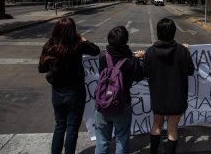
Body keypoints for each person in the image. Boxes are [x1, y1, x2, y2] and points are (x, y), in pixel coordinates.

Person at [38, 17, 100, 154]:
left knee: (60, 125)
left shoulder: (49, 46)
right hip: (75, 92)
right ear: (73, 31)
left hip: (57, 93)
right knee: (72, 128)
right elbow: (96, 50)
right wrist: (83, 39)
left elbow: (41, 69)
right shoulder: (78, 45)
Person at [142, 18, 194, 154]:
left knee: (156, 125)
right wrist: (186, 52)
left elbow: (145, 72)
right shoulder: (183, 51)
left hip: (158, 97)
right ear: (174, 32)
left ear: (158, 33)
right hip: (177, 97)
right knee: (172, 129)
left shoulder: (150, 52)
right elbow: (190, 71)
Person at [94, 26, 144, 154]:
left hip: (102, 104)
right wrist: (139, 59)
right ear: (125, 40)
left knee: (102, 140)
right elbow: (139, 76)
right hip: (122, 104)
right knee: (121, 138)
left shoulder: (103, 56)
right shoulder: (131, 60)